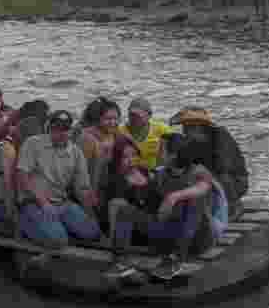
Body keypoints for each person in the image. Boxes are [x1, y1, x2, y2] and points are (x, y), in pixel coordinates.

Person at [106, 133, 229, 278]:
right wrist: (134, 185)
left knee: (194, 199)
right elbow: (152, 206)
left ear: (174, 155)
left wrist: (173, 197)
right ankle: (121, 261)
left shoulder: (197, 170)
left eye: (161, 149)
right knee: (124, 210)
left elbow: (203, 187)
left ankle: (177, 259)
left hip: (197, 238)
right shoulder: (160, 174)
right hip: (169, 233)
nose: (157, 152)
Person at [14, 109, 102, 249]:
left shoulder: (76, 152)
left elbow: (82, 187)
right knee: (58, 240)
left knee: (93, 233)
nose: (61, 133)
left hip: (61, 203)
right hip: (34, 203)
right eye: (57, 128)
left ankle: (55, 225)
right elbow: (22, 176)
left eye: (65, 129)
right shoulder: (32, 143)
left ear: (71, 131)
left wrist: (89, 201)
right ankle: (25, 223)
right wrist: (43, 203)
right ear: (50, 128)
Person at [0, 114, 46, 235]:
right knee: (25, 222)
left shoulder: (20, 149)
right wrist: (13, 216)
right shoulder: (8, 149)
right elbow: (9, 187)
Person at [168, 107, 249, 215]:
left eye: (189, 127)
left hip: (234, 182)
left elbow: (224, 166)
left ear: (200, 126)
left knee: (222, 176)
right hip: (207, 182)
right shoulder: (190, 144)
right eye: (185, 127)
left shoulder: (220, 135)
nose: (185, 131)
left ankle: (233, 206)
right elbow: (179, 165)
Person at [120, 97, 175, 173]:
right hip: (129, 172)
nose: (134, 119)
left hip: (154, 172)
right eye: (131, 115)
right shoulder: (120, 132)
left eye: (138, 116)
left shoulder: (162, 129)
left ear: (149, 115)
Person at [78, 98, 122, 192]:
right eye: (108, 119)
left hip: (109, 183)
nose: (112, 122)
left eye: (116, 118)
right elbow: (84, 171)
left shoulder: (116, 133)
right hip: (90, 185)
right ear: (98, 119)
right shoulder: (88, 138)